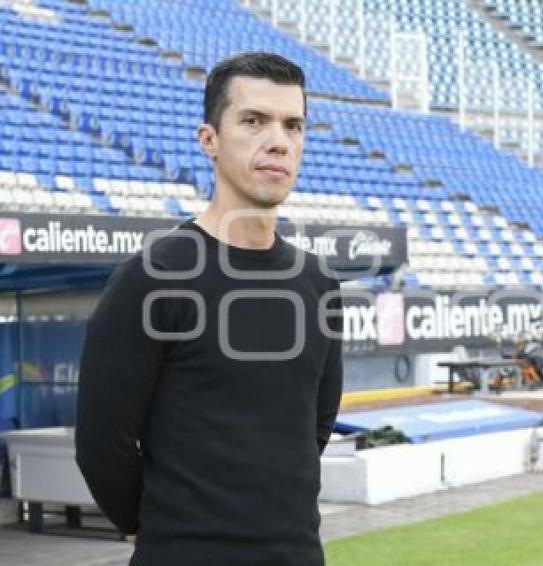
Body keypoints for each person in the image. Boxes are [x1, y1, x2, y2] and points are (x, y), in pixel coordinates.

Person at [75, 52, 343, 566]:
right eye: (253, 120)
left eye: (293, 125)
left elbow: (313, 429)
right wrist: (156, 526)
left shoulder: (318, 282)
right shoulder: (153, 277)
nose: (278, 141)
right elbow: (101, 445)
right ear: (209, 140)